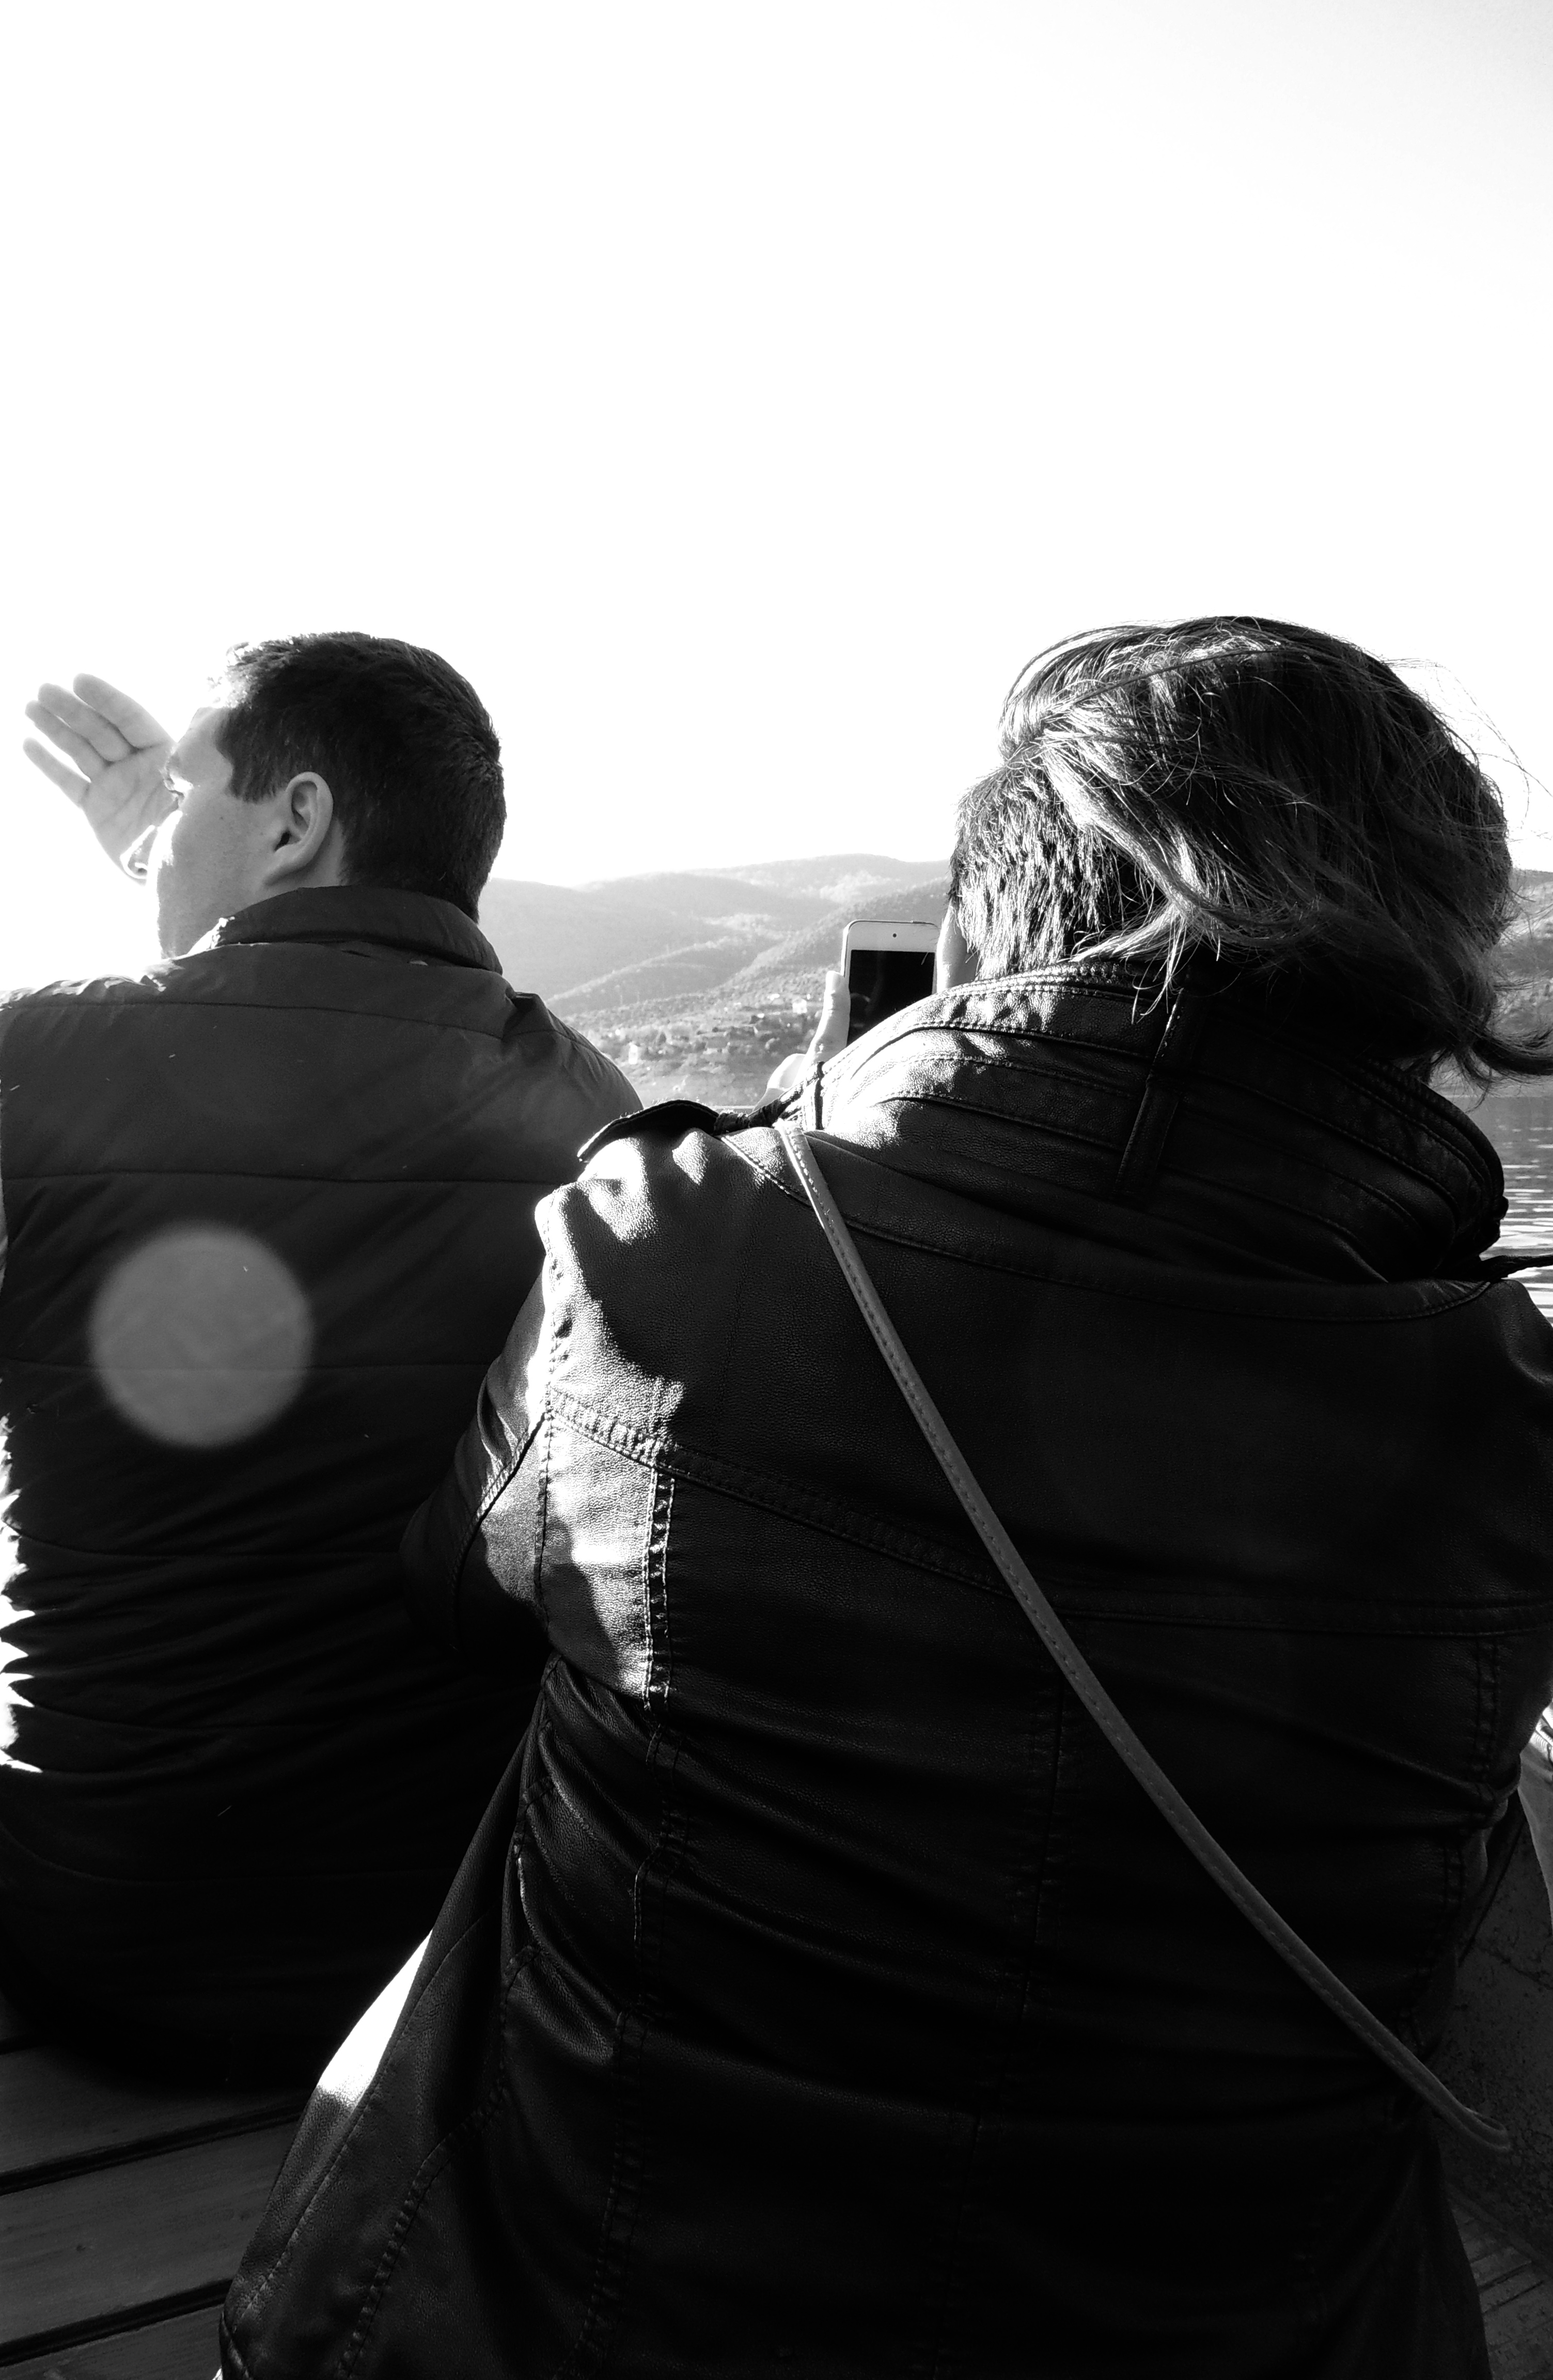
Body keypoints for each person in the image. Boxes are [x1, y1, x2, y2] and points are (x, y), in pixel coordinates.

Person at [221, 619, 1553, 2376]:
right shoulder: (1511, 1413)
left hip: (590, 2316)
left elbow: (454, 1581)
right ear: (1426, 992)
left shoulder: (671, 1243)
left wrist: (804, 1126)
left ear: (977, 945)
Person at [0, 633, 631, 2080]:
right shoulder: (594, 1113)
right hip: (454, 1941)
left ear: (296, 821)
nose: (154, 838)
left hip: (107, 1942)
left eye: (178, 800)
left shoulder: (23, 1075)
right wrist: (176, 866)